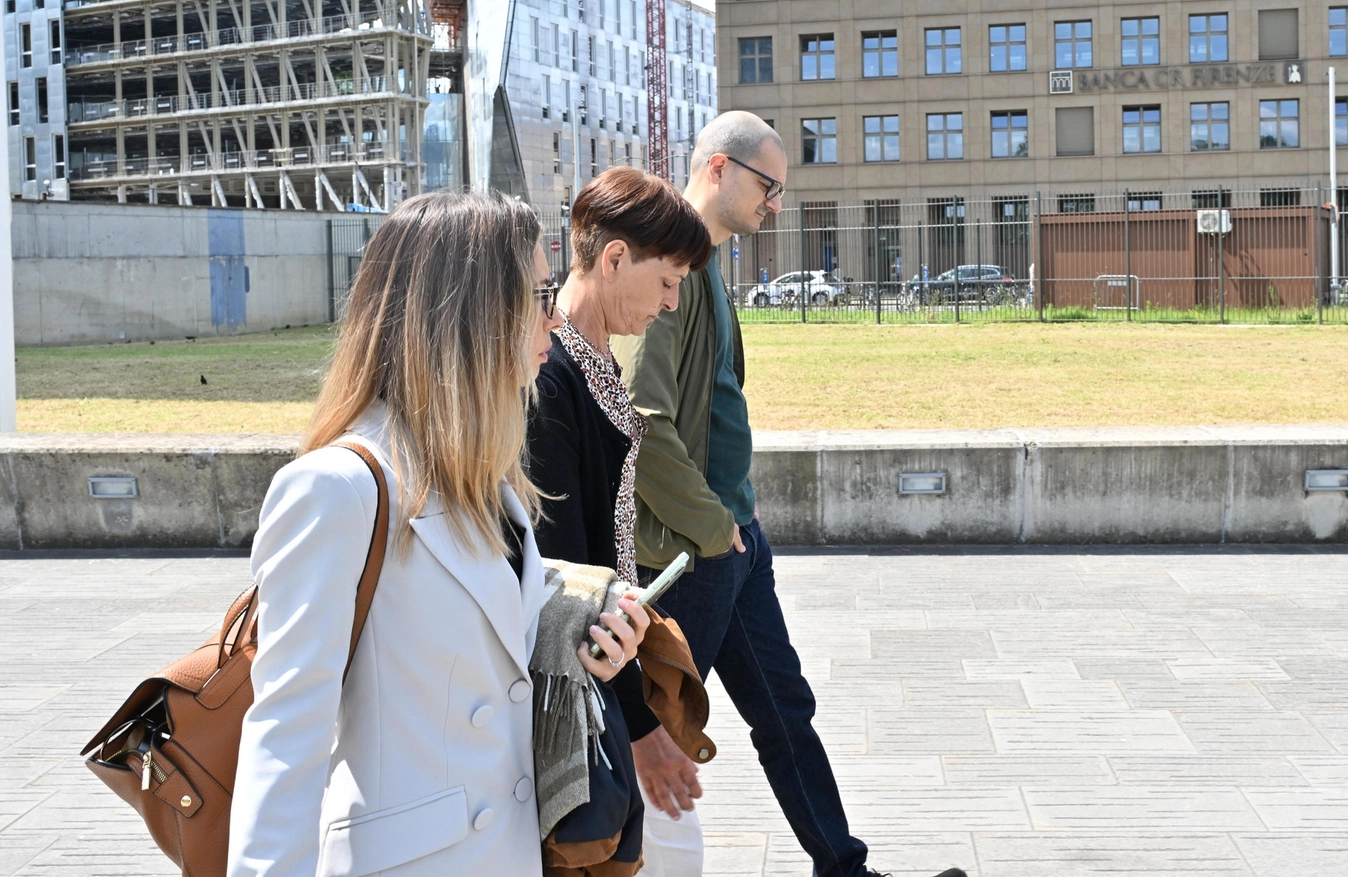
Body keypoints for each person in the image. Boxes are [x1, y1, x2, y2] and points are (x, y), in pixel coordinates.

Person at [227, 191, 650, 877]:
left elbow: (477, 636)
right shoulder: (336, 488)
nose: (553, 317)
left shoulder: (487, 475)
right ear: (469, 313)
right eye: (537, 294)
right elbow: (285, 738)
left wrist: (580, 632)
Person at [613, 112, 968, 877]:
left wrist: (740, 509)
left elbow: (716, 406)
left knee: (785, 713)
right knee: (655, 728)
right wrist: (714, 526)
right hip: (693, 550)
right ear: (717, 169)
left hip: (733, 539)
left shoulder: (706, 263)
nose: (776, 202)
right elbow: (645, 421)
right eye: (768, 185)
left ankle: (843, 869)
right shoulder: (670, 269)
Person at [526, 166, 713, 876]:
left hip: (607, 666)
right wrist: (638, 728)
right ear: (612, 259)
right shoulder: (553, 375)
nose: (670, 304)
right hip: (584, 682)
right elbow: (567, 579)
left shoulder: (590, 360)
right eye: (666, 282)